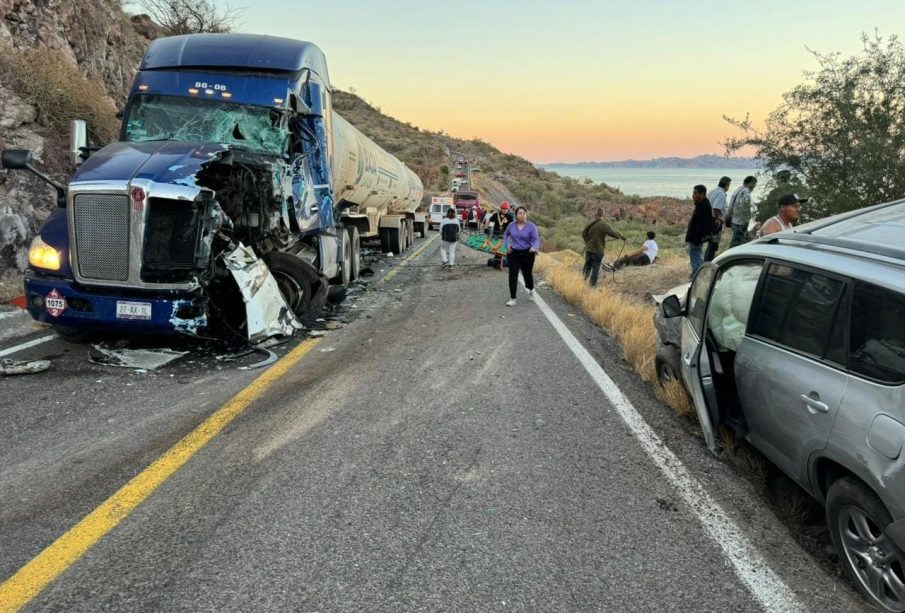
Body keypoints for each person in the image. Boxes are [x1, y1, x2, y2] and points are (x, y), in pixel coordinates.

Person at [502, 206, 541, 306]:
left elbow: (536, 239)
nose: (522, 215)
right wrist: (507, 245)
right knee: (512, 274)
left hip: (527, 253)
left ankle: (531, 290)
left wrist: (534, 247)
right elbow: (506, 235)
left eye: (524, 213)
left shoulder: (531, 226)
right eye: (520, 213)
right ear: (516, 215)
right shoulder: (511, 225)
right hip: (513, 253)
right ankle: (513, 298)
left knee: (527, 274)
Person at [581, 207, 625, 286]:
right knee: (595, 268)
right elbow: (613, 233)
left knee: (587, 265)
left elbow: (583, 234)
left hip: (589, 249)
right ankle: (592, 286)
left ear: (595, 214)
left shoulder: (589, 224)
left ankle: (581, 282)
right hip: (598, 250)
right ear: (602, 215)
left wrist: (588, 243)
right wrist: (622, 237)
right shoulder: (604, 225)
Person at [685, 184, 712, 280]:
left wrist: (697, 239)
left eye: (695, 193)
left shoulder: (704, 206)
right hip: (695, 237)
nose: (693, 195)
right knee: (697, 258)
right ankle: (701, 276)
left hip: (696, 238)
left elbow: (702, 225)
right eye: (693, 193)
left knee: (695, 259)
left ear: (702, 194)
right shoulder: (701, 204)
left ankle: (695, 278)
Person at [726, 175, 757, 248]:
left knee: (736, 241)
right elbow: (745, 206)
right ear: (751, 183)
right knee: (737, 243)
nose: (754, 187)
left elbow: (731, 204)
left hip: (734, 220)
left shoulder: (738, 190)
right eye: (754, 184)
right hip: (740, 222)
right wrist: (746, 220)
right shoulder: (746, 191)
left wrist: (729, 215)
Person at [704, 176, 731, 262]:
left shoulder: (713, 191)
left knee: (710, 243)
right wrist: (718, 219)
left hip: (708, 219)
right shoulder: (721, 194)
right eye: (729, 185)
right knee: (713, 244)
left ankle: (705, 261)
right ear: (727, 185)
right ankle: (707, 263)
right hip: (714, 221)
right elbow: (716, 208)